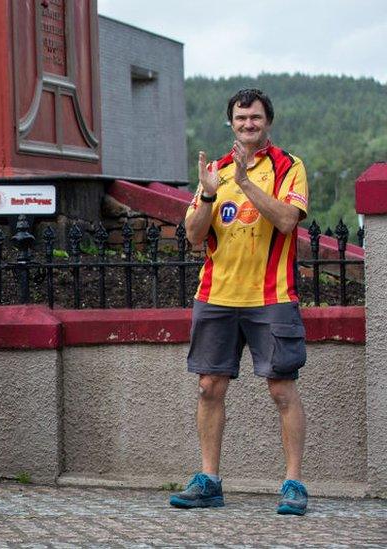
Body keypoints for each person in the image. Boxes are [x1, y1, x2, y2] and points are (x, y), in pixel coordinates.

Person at [170, 88, 310, 515]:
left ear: (268, 121)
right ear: (230, 122)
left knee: (282, 389)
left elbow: (288, 221)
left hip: (272, 297)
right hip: (216, 295)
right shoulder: (214, 172)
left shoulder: (290, 167)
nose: (248, 124)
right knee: (209, 386)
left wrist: (247, 183)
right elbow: (193, 235)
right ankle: (209, 480)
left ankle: (293, 484)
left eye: (255, 117)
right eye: (240, 118)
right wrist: (209, 194)